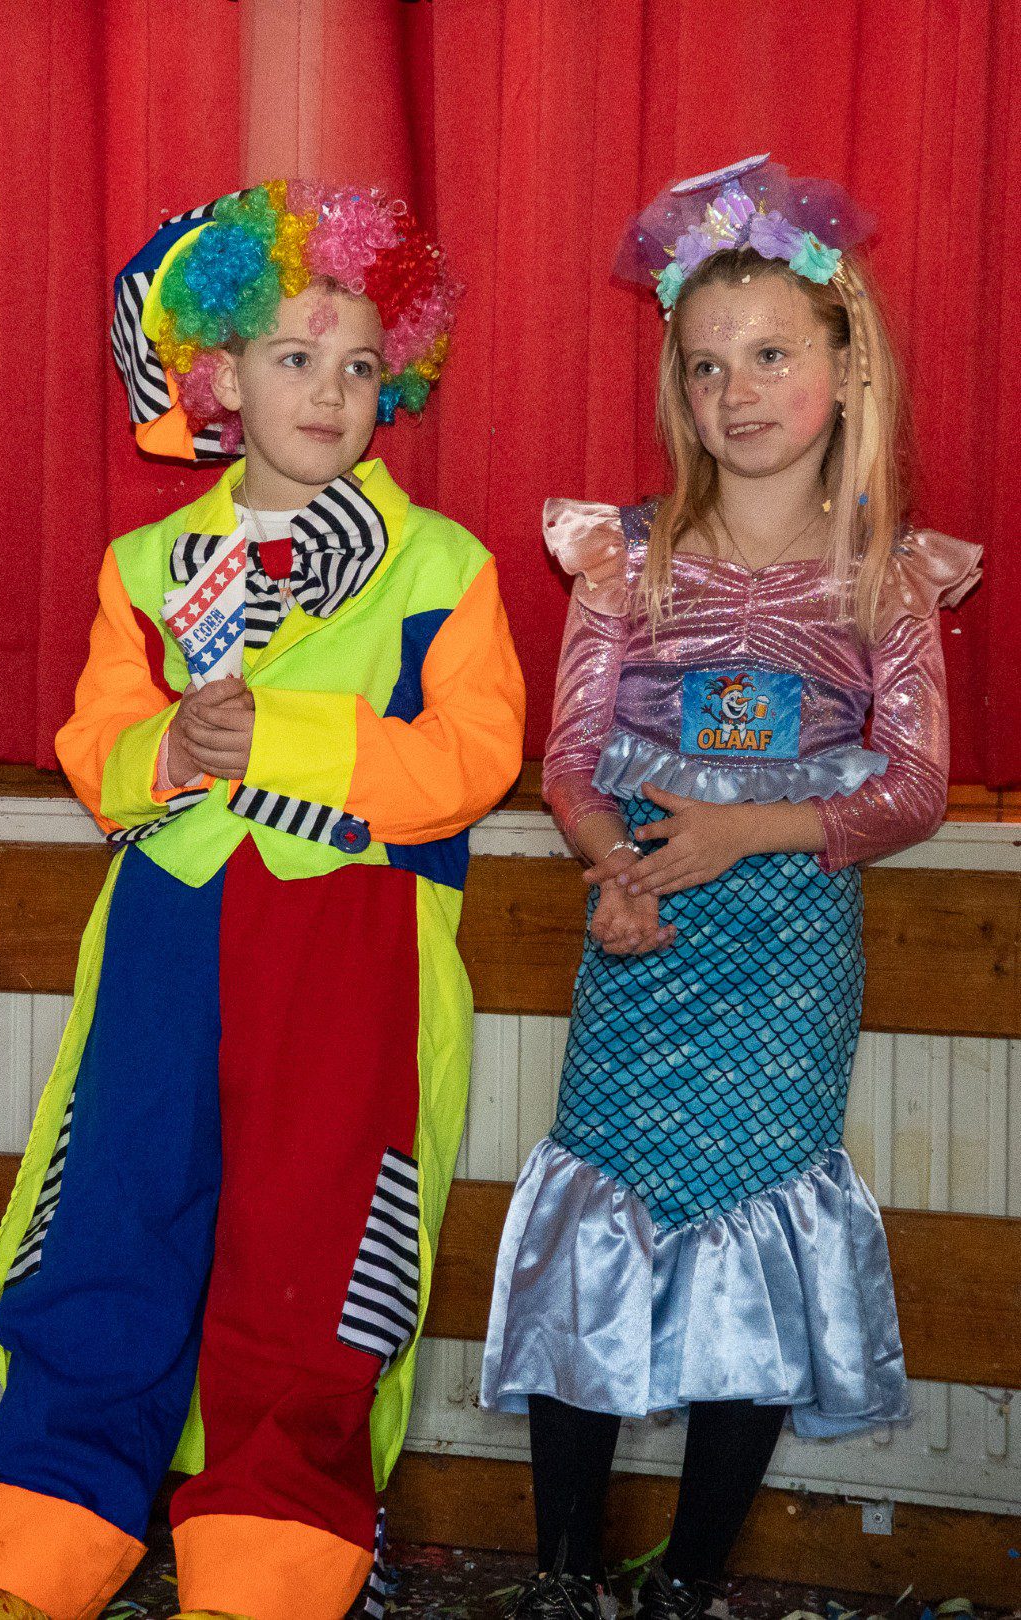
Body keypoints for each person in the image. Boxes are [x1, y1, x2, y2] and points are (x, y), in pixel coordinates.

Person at [0, 181, 525, 1620]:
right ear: (217, 378)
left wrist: (288, 739)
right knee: (105, 1222)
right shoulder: (143, 568)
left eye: (361, 365)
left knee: (318, 1258)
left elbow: (473, 759)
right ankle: (32, 1547)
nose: (330, 391)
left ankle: (269, 1571)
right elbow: (96, 745)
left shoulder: (445, 568)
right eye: (293, 356)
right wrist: (165, 751)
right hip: (169, 935)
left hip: (353, 950)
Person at [480, 155, 981, 1620]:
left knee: (758, 1236)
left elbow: (913, 789)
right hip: (645, 932)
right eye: (707, 367)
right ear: (678, 390)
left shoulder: (886, 576)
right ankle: (566, 1573)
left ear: (847, 364)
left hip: (787, 950)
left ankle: (692, 1580)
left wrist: (748, 832)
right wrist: (616, 868)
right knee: (600, 1226)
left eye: (771, 355)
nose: (737, 391)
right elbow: (571, 760)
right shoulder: (623, 560)